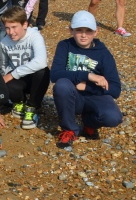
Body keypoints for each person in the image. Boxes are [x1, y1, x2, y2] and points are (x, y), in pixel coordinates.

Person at [51, 11, 122, 149]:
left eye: (88, 31)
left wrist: (87, 87)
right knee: (62, 85)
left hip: (95, 96)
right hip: (72, 96)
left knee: (113, 117)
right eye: (79, 30)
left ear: (96, 31)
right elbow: (55, 74)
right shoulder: (65, 46)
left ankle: (89, 123)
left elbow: (115, 89)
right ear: (71, 30)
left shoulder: (103, 54)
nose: (83, 35)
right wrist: (88, 76)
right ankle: (69, 129)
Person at [0, 6, 49, 130]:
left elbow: (41, 61)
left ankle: (32, 106)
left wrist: (12, 74)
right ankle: (19, 102)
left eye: (14, 27)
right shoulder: (4, 42)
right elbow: (3, 66)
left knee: (43, 72)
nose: (11, 32)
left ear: (25, 24)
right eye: (7, 28)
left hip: (33, 79)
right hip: (18, 81)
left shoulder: (35, 36)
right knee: (4, 80)